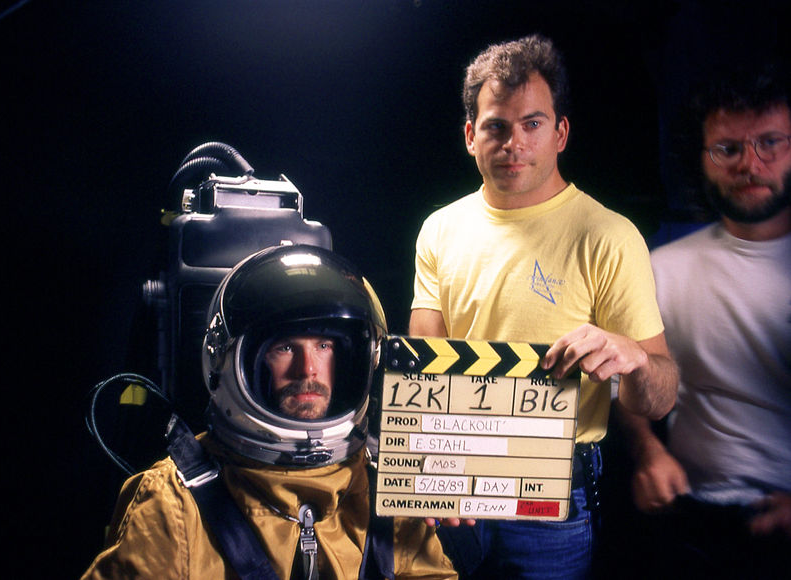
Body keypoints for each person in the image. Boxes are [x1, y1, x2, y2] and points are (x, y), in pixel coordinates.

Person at [409, 34, 678, 578]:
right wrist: (431, 474)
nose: (514, 143)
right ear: (470, 135)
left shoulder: (608, 236)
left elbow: (660, 397)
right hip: (458, 479)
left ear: (560, 133)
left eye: (532, 124)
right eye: (496, 126)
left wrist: (633, 358)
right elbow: (421, 363)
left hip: (553, 490)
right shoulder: (439, 230)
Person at [82, 244, 457, 579]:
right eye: (285, 348)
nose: (308, 370)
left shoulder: (383, 489)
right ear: (233, 361)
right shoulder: (173, 506)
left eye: (324, 345)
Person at [618, 63, 791, 578]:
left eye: (770, 142)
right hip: (694, 521)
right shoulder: (663, 268)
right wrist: (648, 452)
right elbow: (624, 378)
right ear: (700, 159)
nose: (749, 163)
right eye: (728, 149)